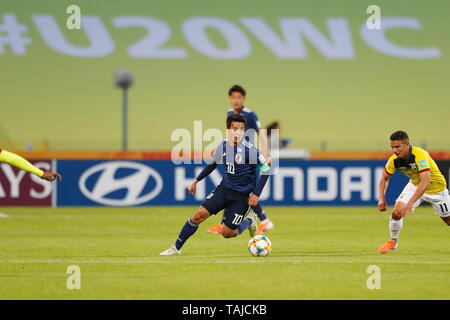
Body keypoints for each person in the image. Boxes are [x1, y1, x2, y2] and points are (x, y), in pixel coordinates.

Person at [160, 114, 271, 255]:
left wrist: (256, 194)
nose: (237, 132)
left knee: (227, 233)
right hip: (224, 190)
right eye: (234, 128)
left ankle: (249, 220)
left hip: (241, 197)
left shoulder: (251, 151)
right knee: (198, 216)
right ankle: (176, 248)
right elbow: (212, 164)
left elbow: (267, 170)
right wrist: (196, 180)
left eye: (241, 129)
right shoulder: (223, 146)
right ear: (228, 130)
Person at [207, 85, 274, 236]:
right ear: (229, 99)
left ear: (243, 99)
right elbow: (231, 134)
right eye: (233, 97)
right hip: (234, 156)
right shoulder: (229, 113)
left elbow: (261, 133)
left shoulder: (250, 115)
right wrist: (219, 146)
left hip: (249, 159)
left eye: (239, 98)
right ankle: (226, 224)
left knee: (245, 193)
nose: (236, 100)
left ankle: (263, 220)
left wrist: (265, 154)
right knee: (229, 186)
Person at [377, 131, 449, 253]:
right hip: (415, 185)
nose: (394, 150)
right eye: (392, 147)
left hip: (436, 190)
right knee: (396, 213)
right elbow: (384, 178)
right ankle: (392, 242)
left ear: (407, 144)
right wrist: (381, 198)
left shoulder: (419, 155)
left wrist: (410, 203)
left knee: (448, 221)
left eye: (397, 146)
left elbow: (425, 182)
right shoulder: (394, 160)